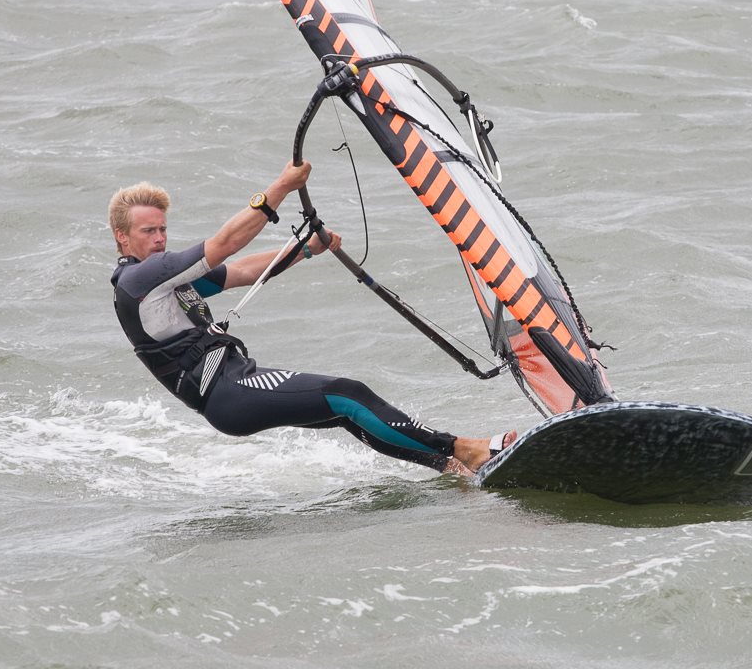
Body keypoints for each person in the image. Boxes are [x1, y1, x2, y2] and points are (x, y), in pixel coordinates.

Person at [107, 163, 510, 475]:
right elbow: (225, 244)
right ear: (122, 237)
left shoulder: (165, 284)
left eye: (162, 229)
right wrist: (282, 185)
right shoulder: (138, 280)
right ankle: (465, 449)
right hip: (226, 392)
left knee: (344, 412)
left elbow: (243, 271)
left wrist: (307, 248)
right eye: (148, 232)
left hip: (234, 385)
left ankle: (451, 469)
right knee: (348, 394)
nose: (159, 239)